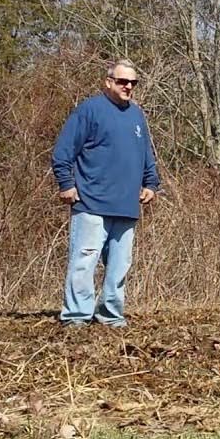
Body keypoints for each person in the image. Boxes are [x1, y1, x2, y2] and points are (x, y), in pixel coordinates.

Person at [51, 60, 160, 328]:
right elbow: (63, 152)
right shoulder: (89, 111)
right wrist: (66, 184)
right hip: (91, 203)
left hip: (126, 206)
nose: (128, 87)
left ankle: (111, 315)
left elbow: (146, 153)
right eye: (123, 81)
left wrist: (151, 183)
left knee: (119, 266)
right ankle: (76, 316)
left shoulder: (136, 115)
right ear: (108, 82)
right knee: (83, 263)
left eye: (133, 83)